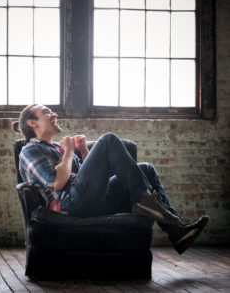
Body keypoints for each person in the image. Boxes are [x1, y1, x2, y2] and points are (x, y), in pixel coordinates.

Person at [13, 104, 209, 255]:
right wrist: (69, 153)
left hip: (89, 201)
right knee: (108, 139)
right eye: (46, 112)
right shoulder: (30, 150)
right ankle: (145, 202)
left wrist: (82, 151)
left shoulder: (59, 148)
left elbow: (93, 181)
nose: (54, 114)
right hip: (70, 206)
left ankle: (176, 232)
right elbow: (57, 182)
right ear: (32, 123)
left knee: (146, 169)